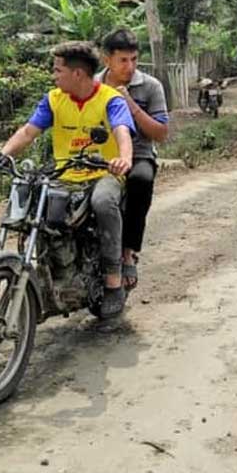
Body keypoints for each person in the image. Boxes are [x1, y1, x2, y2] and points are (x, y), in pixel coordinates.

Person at [0, 41, 136, 317]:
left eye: (58, 70)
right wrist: (0, 155)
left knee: (103, 202)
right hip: (63, 175)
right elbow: (29, 131)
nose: (54, 76)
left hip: (102, 174)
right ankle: (48, 274)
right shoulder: (54, 99)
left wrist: (123, 158)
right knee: (34, 205)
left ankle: (113, 280)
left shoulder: (110, 99)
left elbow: (122, 130)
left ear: (77, 74)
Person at [96, 28, 170, 291]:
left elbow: (161, 133)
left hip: (138, 154)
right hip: (99, 157)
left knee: (141, 180)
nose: (129, 67)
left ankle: (127, 252)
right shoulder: (92, 86)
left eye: (134, 59)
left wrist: (131, 105)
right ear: (107, 60)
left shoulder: (150, 86)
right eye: (123, 61)